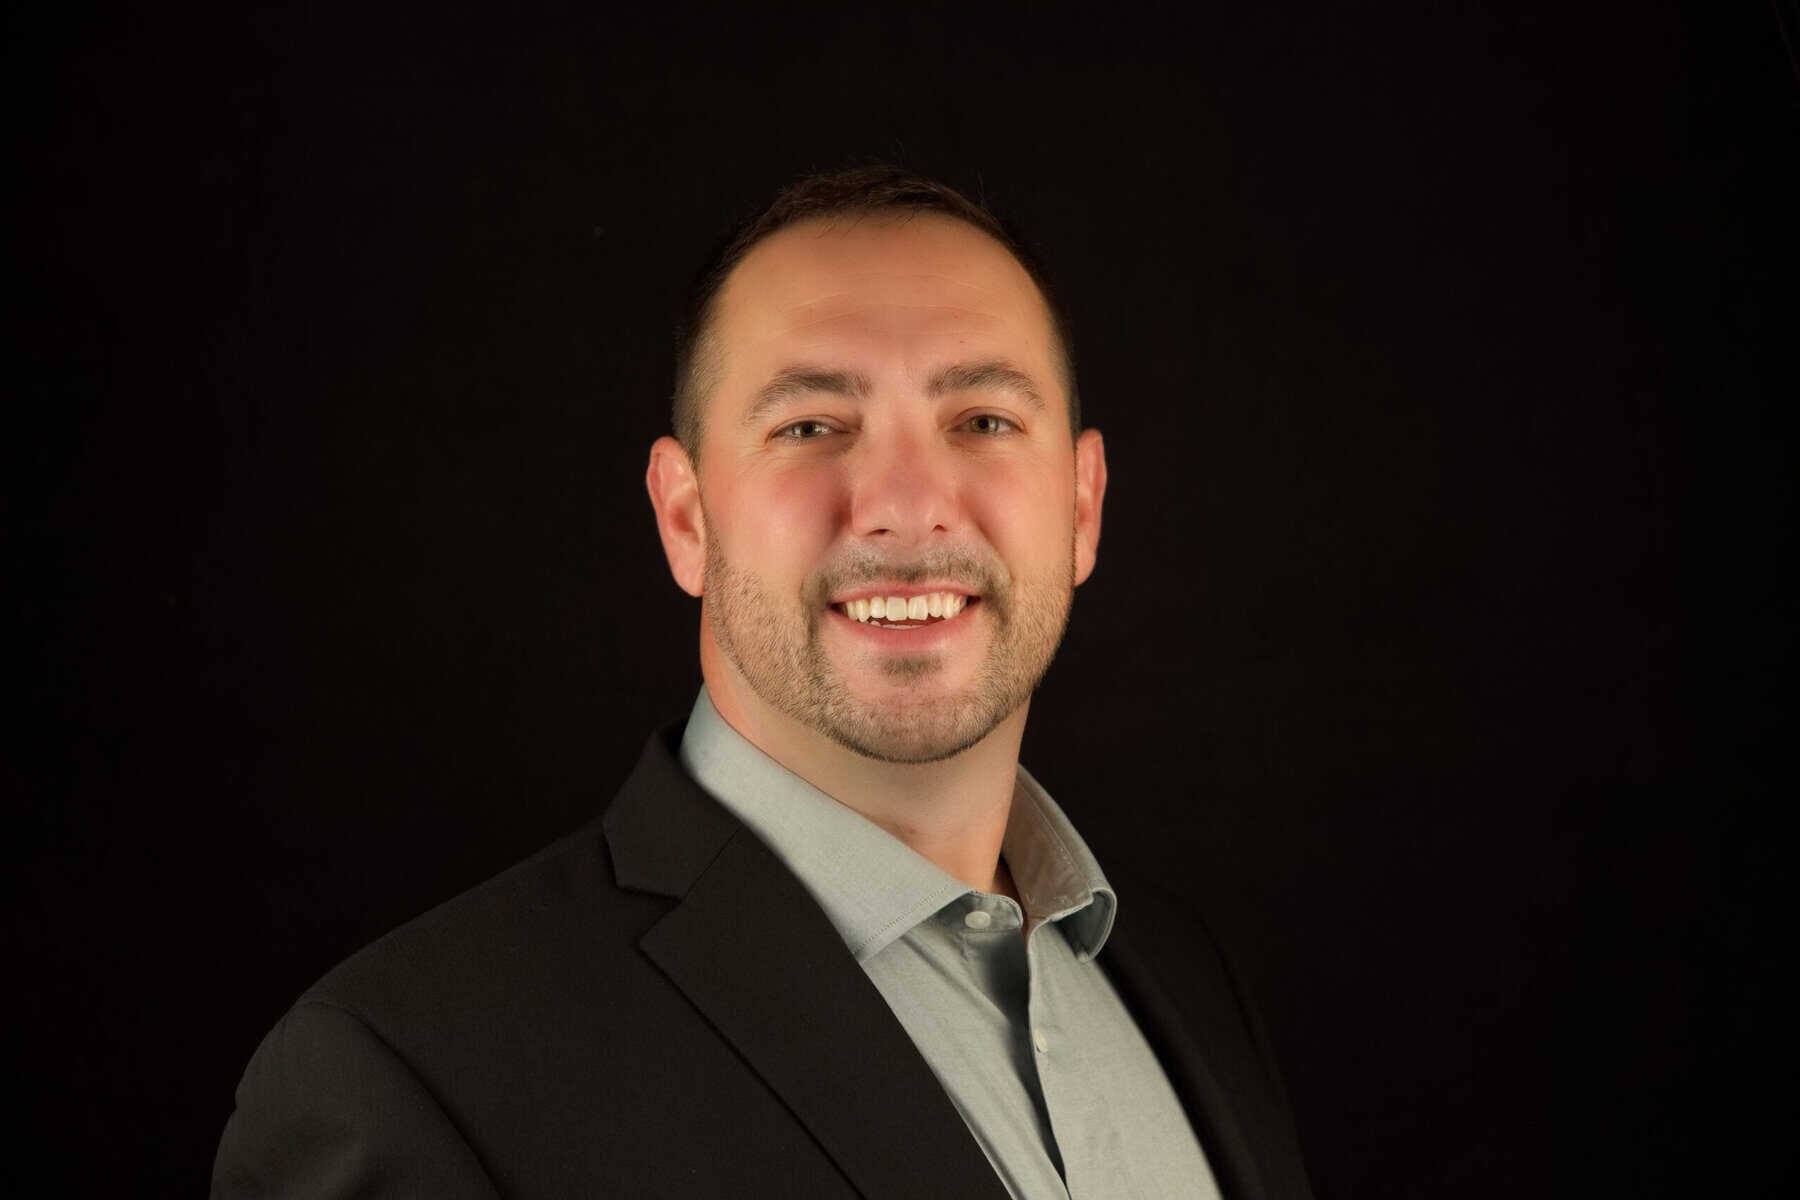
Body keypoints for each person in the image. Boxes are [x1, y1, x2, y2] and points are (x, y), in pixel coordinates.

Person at [212, 165, 1315, 1199]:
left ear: (1081, 507)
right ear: (686, 517)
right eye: (811, 425)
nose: (904, 502)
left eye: (983, 419)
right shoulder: (409, 1071)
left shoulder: (1183, 980)